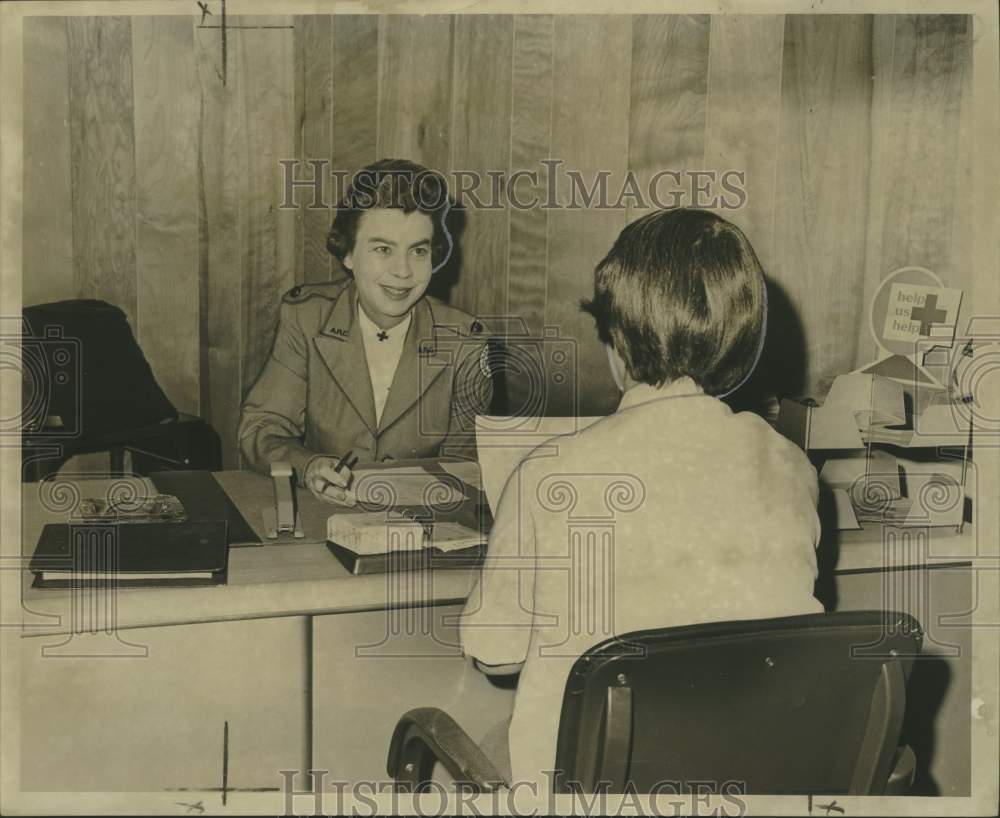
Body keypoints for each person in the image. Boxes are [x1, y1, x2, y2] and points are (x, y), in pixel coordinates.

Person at [459, 208, 824, 789]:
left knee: (483, 744)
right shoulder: (791, 466)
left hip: (592, 790)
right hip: (754, 780)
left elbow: (495, 653)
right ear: (743, 342)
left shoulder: (549, 471)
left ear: (616, 344)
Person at [239, 159, 493, 503]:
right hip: (322, 515)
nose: (402, 271)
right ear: (347, 254)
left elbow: (467, 469)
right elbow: (262, 428)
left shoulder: (465, 342)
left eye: (417, 251)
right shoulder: (306, 318)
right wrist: (309, 465)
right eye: (382, 249)